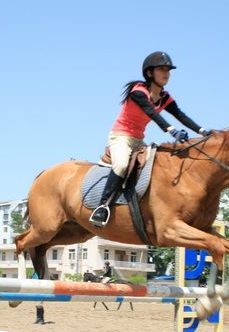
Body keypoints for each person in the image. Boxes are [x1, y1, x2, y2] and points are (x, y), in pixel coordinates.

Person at [89, 51, 212, 227]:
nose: (166, 74)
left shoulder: (165, 97)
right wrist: (172, 131)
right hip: (121, 136)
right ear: (149, 73)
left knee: (156, 167)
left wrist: (202, 130)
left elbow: (180, 115)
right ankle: (102, 207)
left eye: (168, 70)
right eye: (161, 69)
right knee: (122, 165)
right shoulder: (138, 91)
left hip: (138, 139)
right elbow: (151, 113)